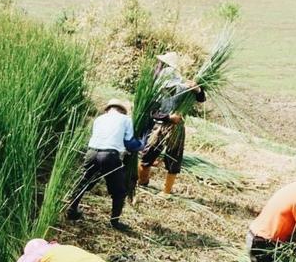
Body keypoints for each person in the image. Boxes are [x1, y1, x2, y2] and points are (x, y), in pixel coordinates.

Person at [138, 52, 205, 196]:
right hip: (159, 126)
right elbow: (152, 112)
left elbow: (201, 98)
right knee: (147, 156)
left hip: (177, 129)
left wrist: (198, 89)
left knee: (174, 159)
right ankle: (142, 183)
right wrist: (169, 117)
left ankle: (166, 192)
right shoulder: (155, 91)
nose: (169, 88)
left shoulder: (183, 89)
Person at [67, 98, 134, 231]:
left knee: (84, 183)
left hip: (91, 153)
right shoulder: (126, 119)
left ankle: (71, 210)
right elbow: (129, 142)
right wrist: (139, 146)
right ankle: (115, 222)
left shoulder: (99, 119)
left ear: (108, 109)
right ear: (122, 110)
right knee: (119, 192)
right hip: (109, 156)